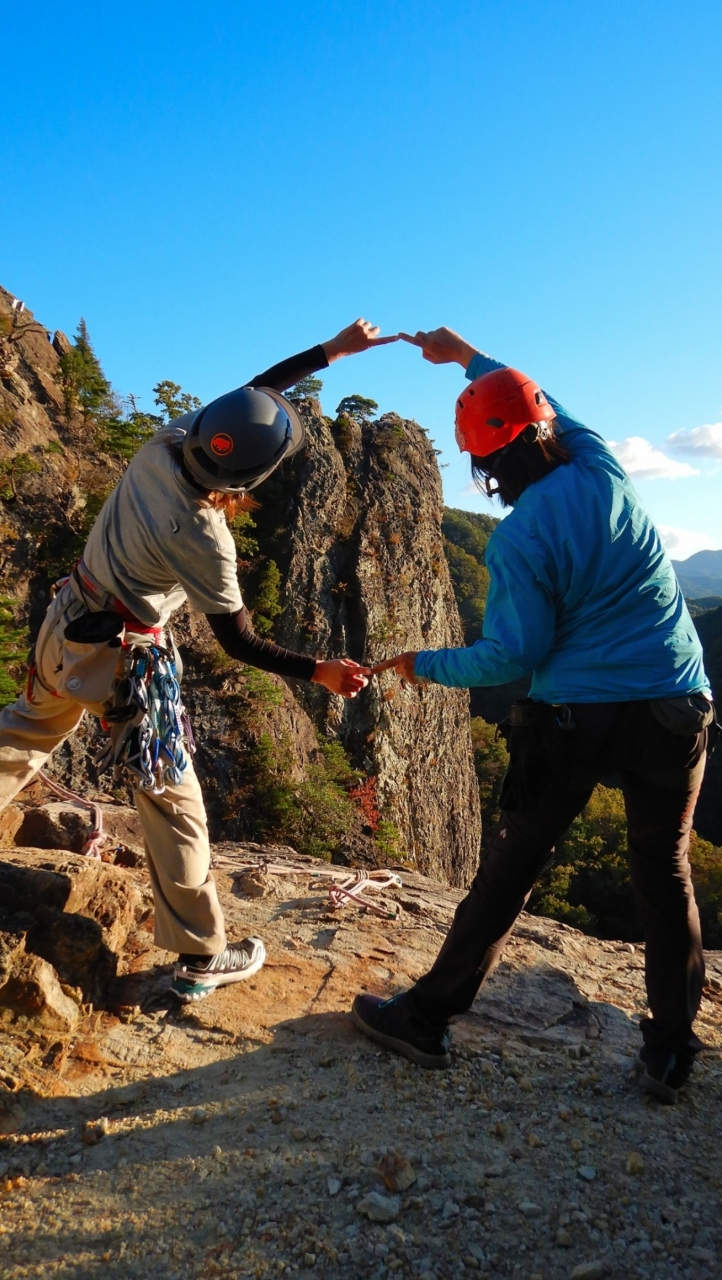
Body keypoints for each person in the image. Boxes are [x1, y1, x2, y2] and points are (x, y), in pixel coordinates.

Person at [352, 326, 715, 1104]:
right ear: (545, 428)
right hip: (674, 705)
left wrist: (420, 663)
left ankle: (427, 1018)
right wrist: (469, 356)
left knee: (513, 869)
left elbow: (510, 657)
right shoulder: (601, 464)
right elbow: (541, 403)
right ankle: (672, 1052)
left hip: (577, 718)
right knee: (666, 870)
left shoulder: (520, 539)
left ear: (484, 463)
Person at [0, 318, 395, 1003]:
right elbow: (240, 641)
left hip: (65, 625)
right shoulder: (204, 536)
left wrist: (332, 350)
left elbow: (254, 393)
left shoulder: (167, 443)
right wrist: (319, 672)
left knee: (24, 732)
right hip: (127, 664)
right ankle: (200, 954)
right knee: (174, 804)